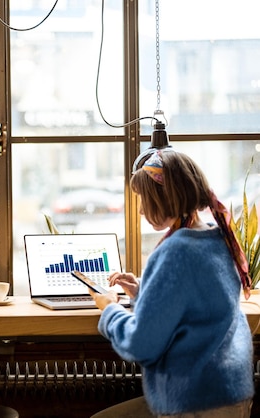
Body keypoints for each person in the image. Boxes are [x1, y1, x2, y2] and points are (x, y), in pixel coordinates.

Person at [90, 149, 254, 418]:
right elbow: (199, 301)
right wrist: (143, 289)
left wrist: (108, 310)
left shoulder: (175, 250)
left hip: (196, 401)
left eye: (144, 199)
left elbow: (140, 344)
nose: (141, 210)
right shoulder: (216, 239)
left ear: (164, 198)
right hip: (232, 393)